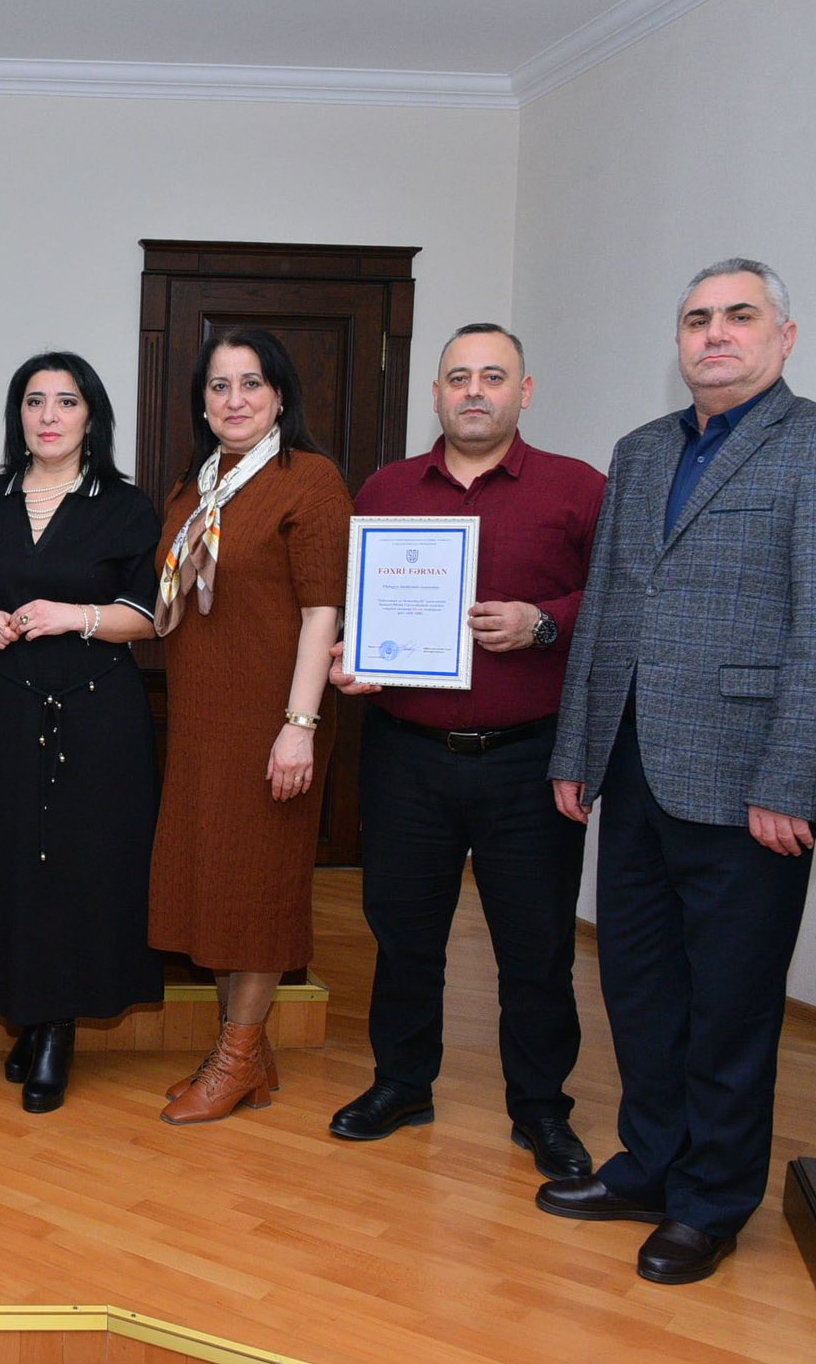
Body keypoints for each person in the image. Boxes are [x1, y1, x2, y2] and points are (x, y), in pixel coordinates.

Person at [538, 259, 816, 1284]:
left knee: (730, 1006)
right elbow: (607, 609)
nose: (714, 335)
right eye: (696, 319)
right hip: (631, 768)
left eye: (739, 316)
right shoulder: (641, 451)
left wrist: (792, 776)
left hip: (748, 783)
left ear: (784, 336)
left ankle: (710, 1201)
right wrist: (577, 750)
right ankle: (649, 1166)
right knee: (639, 988)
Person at [324, 324, 604, 1180]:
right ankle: (402, 1083)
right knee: (403, 933)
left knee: (536, 945)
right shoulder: (386, 489)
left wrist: (543, 620)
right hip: (406, 753)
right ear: (436, 394)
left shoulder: (579, 489)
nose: (474, 391)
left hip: (530, 758)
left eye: (493, 376)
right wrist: (353, 656)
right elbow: (357, 601)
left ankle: (541, 1108)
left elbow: (620, 602)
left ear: (525, 391)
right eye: (458, 377)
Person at [0, 352, 164, 1113]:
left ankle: (57, 1029)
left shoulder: (126, 506)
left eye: (66, 401)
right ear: (19, 416)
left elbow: (150, 616)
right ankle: (28, 1013)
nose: (49, 415)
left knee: (78, 865)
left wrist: (75, 616)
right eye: (34, 401)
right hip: (2, 707)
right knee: (8, 860)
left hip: (96, 711)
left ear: (91, 415)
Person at [148, 328, 351, 1125]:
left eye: (251, 383)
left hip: (273, 720)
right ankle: (247, 1058)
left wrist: (299, 725)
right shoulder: (195, 487)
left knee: (259, 887)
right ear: (202, 402)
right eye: (219, 386)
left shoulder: (310, 480)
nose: (234, 400)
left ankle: (234, 1059)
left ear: (279, 395)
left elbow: (322, 612)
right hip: (203, 724)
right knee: (218, 884)